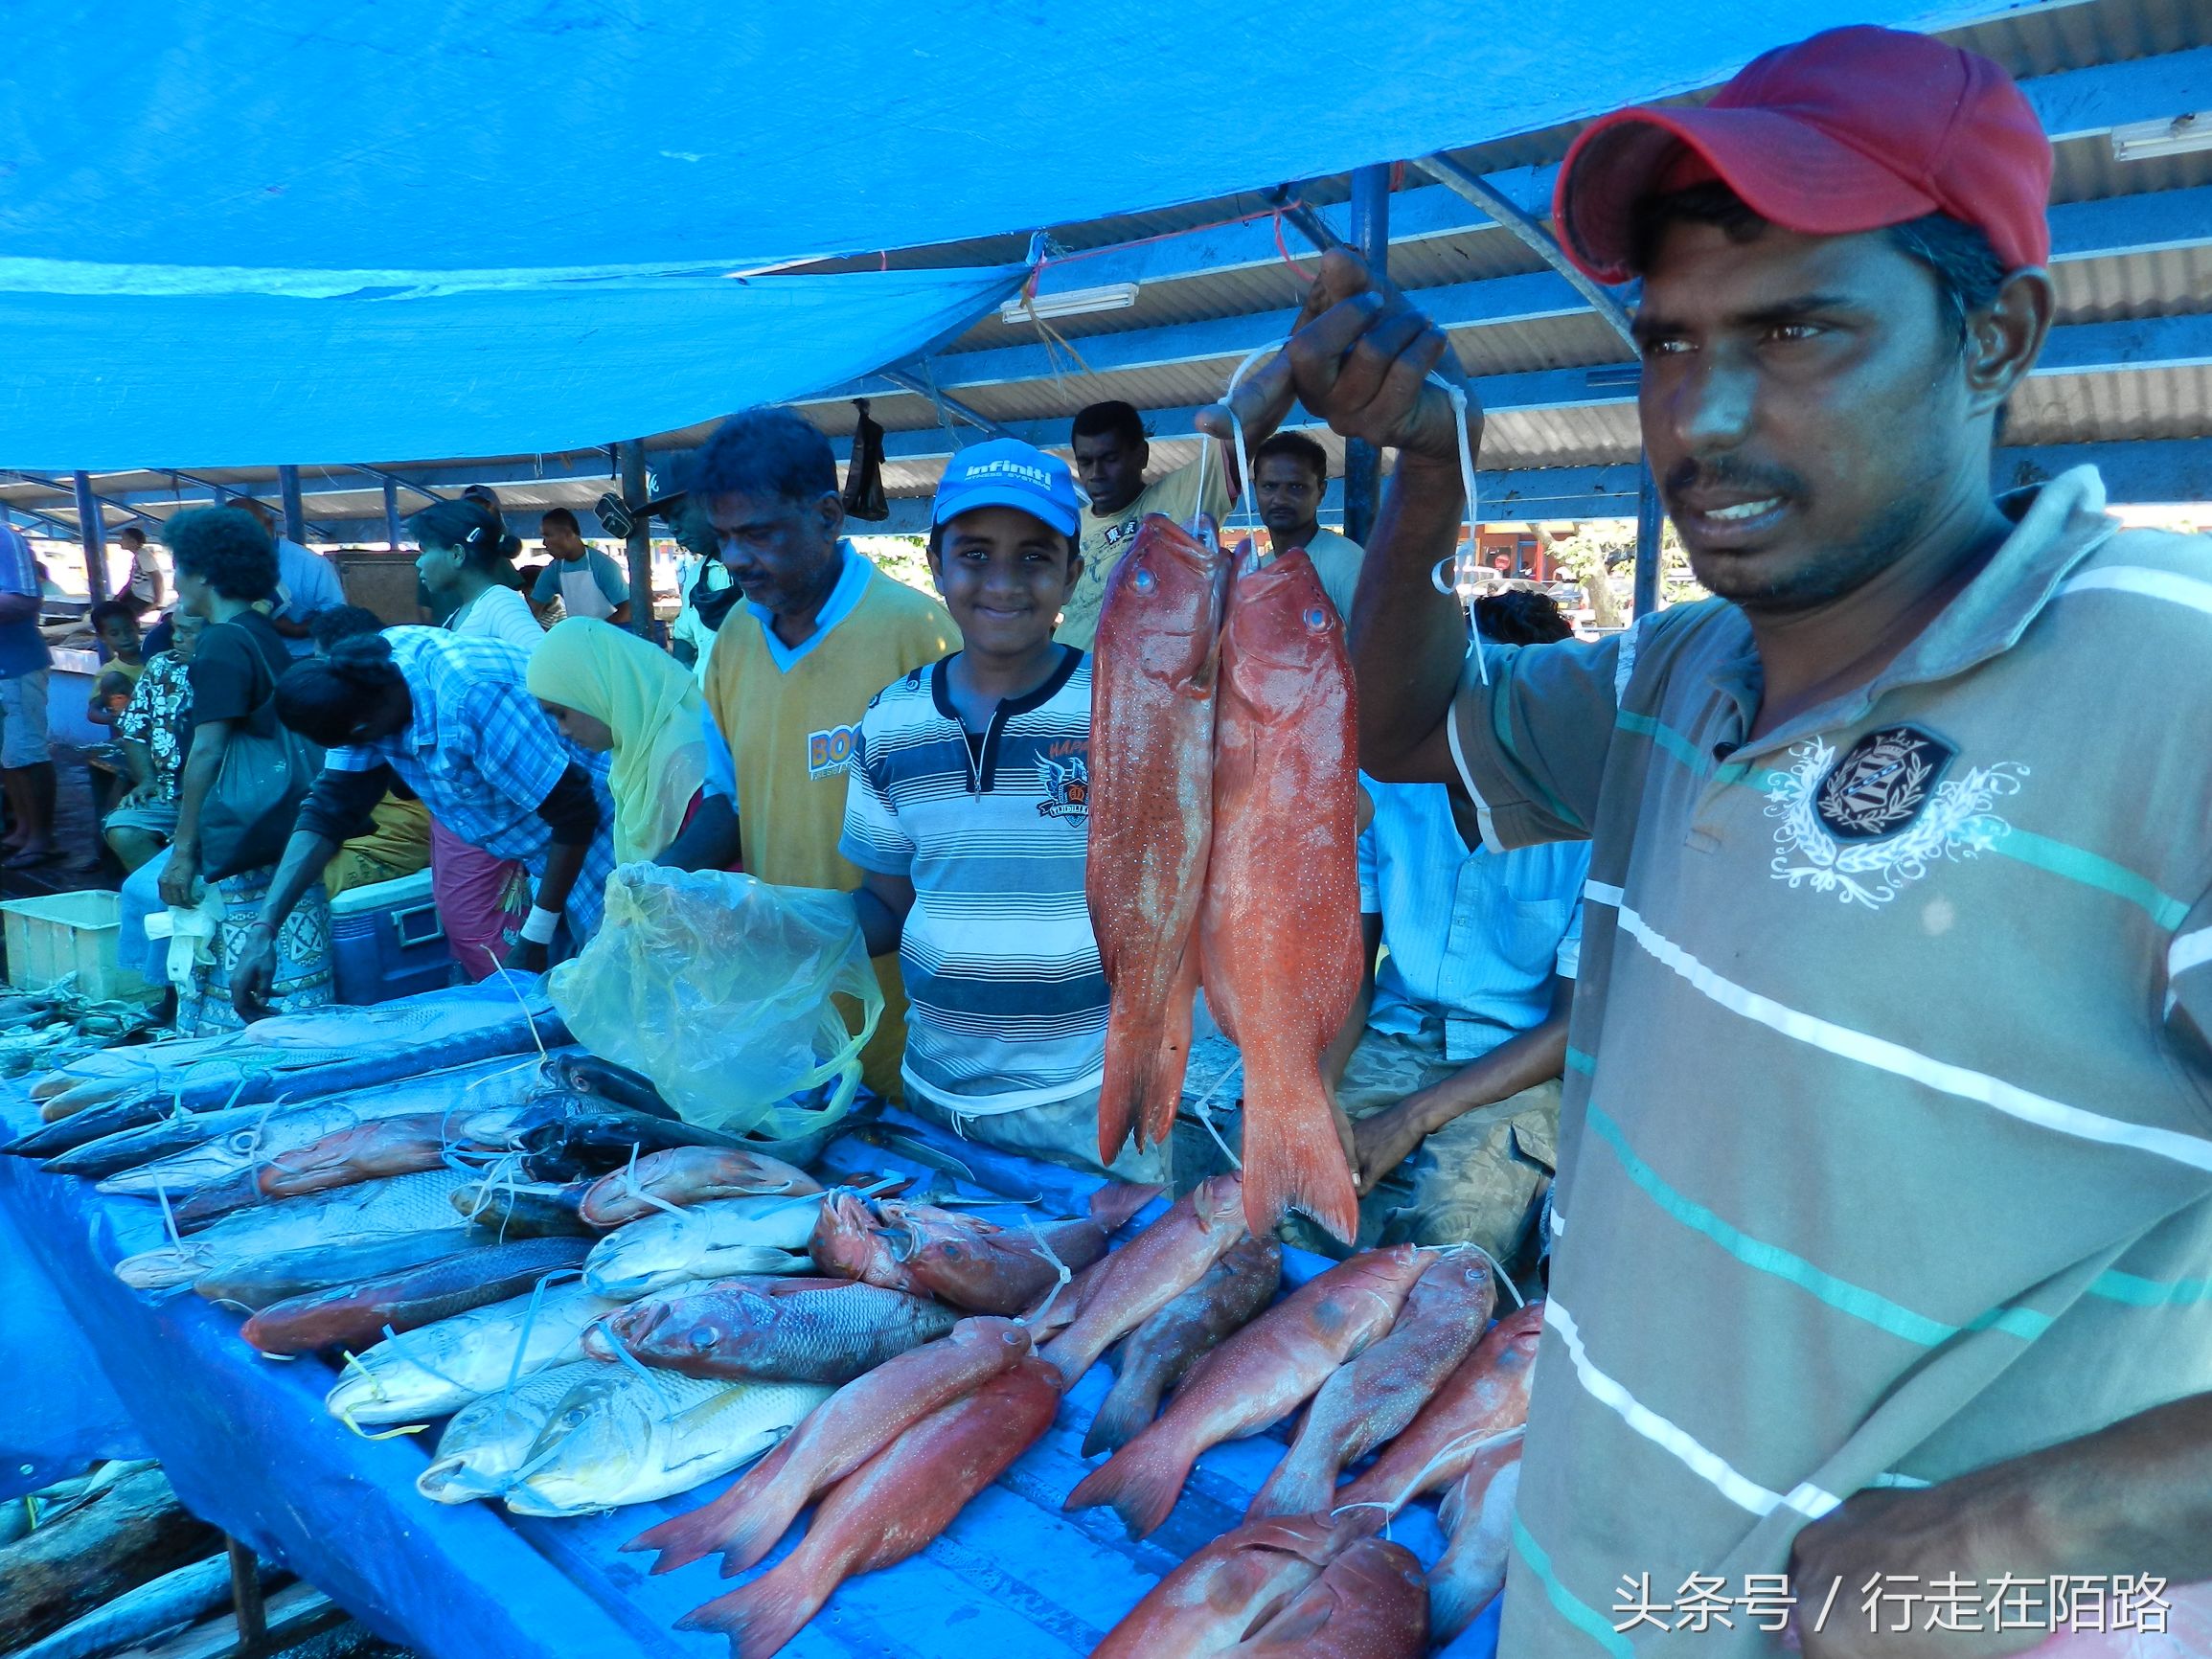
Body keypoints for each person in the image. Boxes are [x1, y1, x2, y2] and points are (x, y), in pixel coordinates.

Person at [1214, 25, 2212, 1654]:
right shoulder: (1677, 670)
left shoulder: (2164, 683)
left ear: (1996, 337)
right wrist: (1419, 478)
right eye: (1667, 344)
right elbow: (1406, 725)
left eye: (1798, 328)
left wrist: (2026, 1523)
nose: (1703, 414)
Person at [842, 441, 1150, 1179]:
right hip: (934, 1093)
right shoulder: (888, 722)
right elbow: (889, 903)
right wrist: (775, 929)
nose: (1003, 583)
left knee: (1092, 1282)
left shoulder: (1128, 710)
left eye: (1035, 557)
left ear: (1072, 575)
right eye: (975, 555)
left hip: (1091, 1097)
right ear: (937, 564)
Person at [658, 405, 959, 1101]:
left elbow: (955, 848)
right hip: (792, 1011)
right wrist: (662, 880)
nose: (735, 559)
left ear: (828, 517)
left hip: (909, 1014)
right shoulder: (733, 638)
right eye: (725, 537)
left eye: (758, 534)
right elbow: (730, 799)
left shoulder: (916, 638)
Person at [1325, 589, 1587, 1266]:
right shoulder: (1383, 789)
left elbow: (1570, 1025)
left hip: (1515, 1064)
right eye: (1478, 700)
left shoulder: (1594, 826)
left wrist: (1414, 1115)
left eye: (1525, 713)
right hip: (1393, 1032)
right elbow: (1348, 971)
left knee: (1453, 1237)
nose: (1498, 729)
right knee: (1285, 1196)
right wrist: (1313, 1088)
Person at [233, 626, 616, 1014]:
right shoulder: (361, 686)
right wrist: (264, 930)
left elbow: (575, 815)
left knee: (617, 983)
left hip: (606, 832)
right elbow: (331, 807)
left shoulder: (469, 697)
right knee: (578, 991)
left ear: (363, 729)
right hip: (548, 843)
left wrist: (535, 938)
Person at [155, 508, 332, 1034]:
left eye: (178, 567)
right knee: (293, 1008)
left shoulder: (222, 640)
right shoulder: (258, 630)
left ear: (205, 573)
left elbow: (207, 750)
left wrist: (183, 854)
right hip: (280, 830)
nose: (176, 580)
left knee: (239, 1013)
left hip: (243, 841)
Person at [526, 617, 711, 863]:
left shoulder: (687, 763)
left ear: (595, 689)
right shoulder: (634, 756)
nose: (563, 731)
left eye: (562, 714)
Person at [1056, 401, 1233, 650]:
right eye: (1085, 462)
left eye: (1110, 459)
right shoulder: (1066, 526)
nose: (1096, 473)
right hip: (1066, 680)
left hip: (1142, 679)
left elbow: (1244, 431)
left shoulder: (1177, 499)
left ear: (1142, 456)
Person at [307, 606, 432, 898]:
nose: (318, 675)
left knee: (313, 889)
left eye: (320, 663)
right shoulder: (360, 712)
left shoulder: (381, 712)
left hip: (398, 841)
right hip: (377, 836)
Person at [103, 610, 203, 872]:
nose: (177, 639)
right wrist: (147, 779)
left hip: (217, 795)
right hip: (169, 789)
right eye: (175, 630)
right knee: (123, 830)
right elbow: (134, 730)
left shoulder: (229, 669)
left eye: (189, 632)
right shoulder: (160, 666)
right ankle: (168, 905)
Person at [1249, 431, 1363, 620]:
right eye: (1269, 486)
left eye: (1296, 487)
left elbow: (1386, 646)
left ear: (1321, 492)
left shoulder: (1345, 563)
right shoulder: (1257, 570)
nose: (1280, 499)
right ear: (1255, 489)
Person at [414, 498, 542, 651]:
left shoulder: (500, 603)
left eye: (425, 551)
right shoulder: (466, 610)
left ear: (457, 554)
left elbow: (547, 663)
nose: (418, 563)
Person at [0, 518, 57, 866]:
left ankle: (41, 839)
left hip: (17, 665)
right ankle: (22, 830)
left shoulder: (5, 537)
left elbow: (26, 599)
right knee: (8, 757)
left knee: (26, 751)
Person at [234, 497, 344, 657]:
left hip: (301, 659)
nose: (243, 539)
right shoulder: (217, 563)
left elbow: (337, 617)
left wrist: (295, 629)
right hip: (245, 658)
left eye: (249, 530)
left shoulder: (310, 564)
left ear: (269, 524)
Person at [529, 509, 631, 625]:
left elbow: (628, 610)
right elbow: (533, 609)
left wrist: (595, 630)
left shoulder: (604, 566)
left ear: (568, 534)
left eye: (548, 536)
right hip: (580, 637)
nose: (544, 543)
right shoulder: (553, 570)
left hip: (609, 637)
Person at [82, 600, 146, 729]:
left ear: (137, 627)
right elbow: (93, 712)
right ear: (102, 637)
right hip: (135, 725)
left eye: (128, 631)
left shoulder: (155, 657)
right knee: (113, 679)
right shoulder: (109, 671)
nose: (124, 637)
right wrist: (115, 718)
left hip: (164, 715)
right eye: (115, 634)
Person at [115, 526, 165, 611]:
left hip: (143, 598)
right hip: (136, 594)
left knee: (126, 617)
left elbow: (157, 577)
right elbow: (131, 581)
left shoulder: (143, 555)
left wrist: (157, 601)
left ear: (133, 542)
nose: (120, 541)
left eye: (123, 538)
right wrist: (119, 597)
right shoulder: (138, 556)